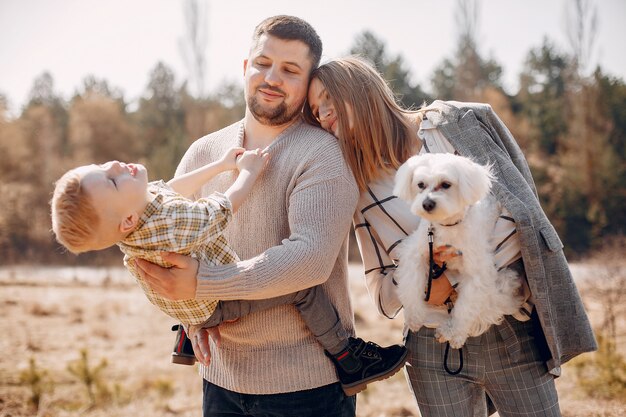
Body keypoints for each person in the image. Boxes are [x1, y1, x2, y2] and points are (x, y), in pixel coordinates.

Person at [133, 16, 408, 417]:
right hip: (220, 380)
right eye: (263, 63)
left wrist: (202, 283)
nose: (272, 77)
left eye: (290, 70)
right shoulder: (203, 153)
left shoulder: (323, 153)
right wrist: (189, 312)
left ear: (309, 80)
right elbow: (164, 242)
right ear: (246, 67)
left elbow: (309, 259)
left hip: (308, 388)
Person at [303, 56, 597, 417]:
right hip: (432, 346)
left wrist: (471, 259)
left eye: (329, 100)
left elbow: (527, 213)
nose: (324, 116)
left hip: (513, 329)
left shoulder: (461, 123)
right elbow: (380, 292)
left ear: (361, 89)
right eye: (317, 111)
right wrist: (427, 287)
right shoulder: (361, 187)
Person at [50, 145, 407, 398]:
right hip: (216, 299)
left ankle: (187, 331)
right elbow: (219, 210)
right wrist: (246, 174)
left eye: (102, 168)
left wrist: (220, 165)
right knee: (302, 287)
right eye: (111, 181)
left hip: (188, 295)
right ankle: (349, 360)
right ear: (127, 220)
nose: (114, 165)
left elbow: (170, 190)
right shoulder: (169, 226)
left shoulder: (140, 213)